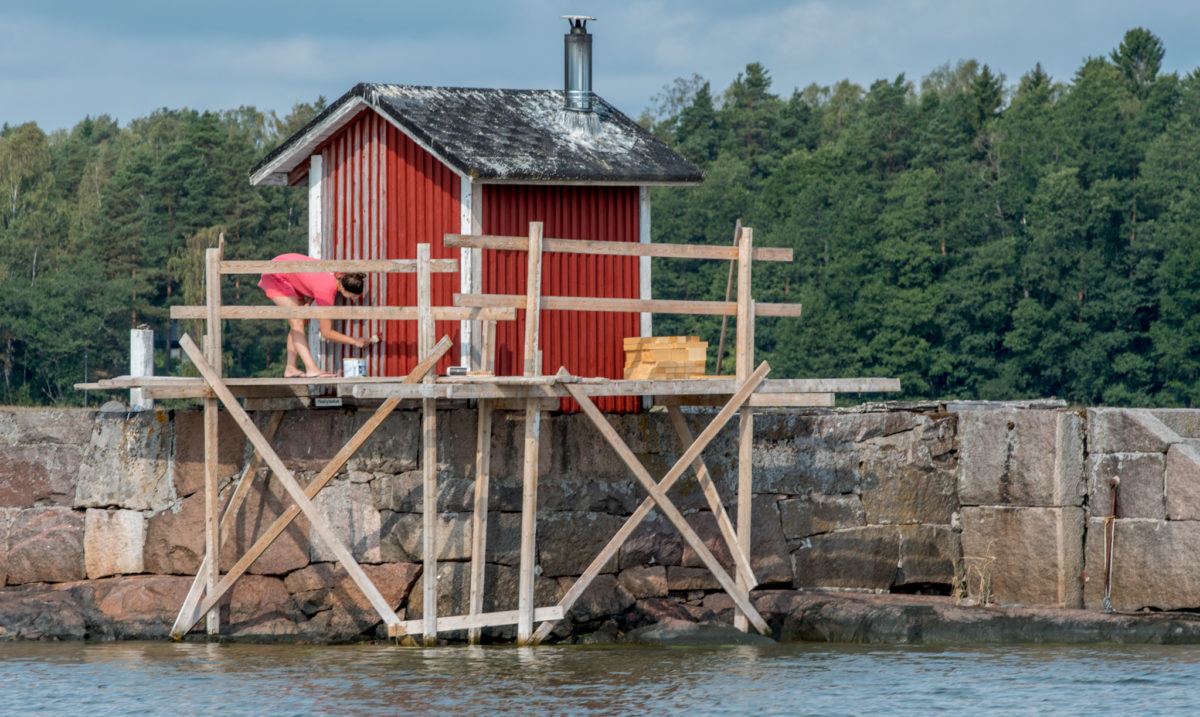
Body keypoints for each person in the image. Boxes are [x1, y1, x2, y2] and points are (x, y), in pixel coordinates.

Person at [257, 253, 376, 378]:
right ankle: (311, 368)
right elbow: (327, 333)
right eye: (352, 296)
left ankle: (290, 368)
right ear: (342, 287)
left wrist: (308, 304)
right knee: (297, 321)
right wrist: (355, 341)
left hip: (288, 270)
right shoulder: (327, 293)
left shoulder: (339, 274)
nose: (353, 299)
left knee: (300, 321)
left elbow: (312, 280)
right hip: (276, 273)